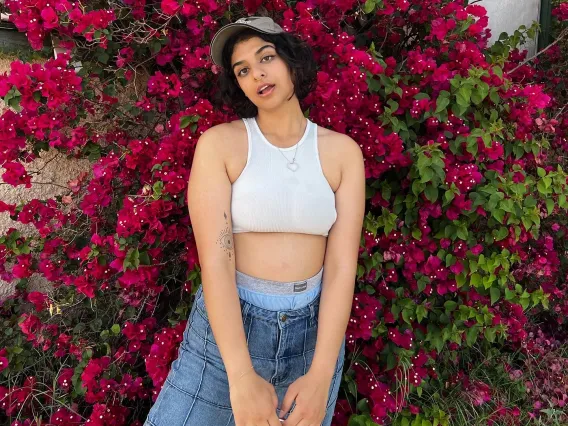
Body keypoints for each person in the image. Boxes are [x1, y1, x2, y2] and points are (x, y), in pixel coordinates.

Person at [144, 15, 365, 426]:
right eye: (243, 69)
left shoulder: (343, 153)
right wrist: (241, 374)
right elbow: (217, 261)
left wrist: (319, 375)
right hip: (230, 327)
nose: (257, 73)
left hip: (314, 333)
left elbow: (340, 268)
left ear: (292, 61)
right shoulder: (221, 145)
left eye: (266, 57)